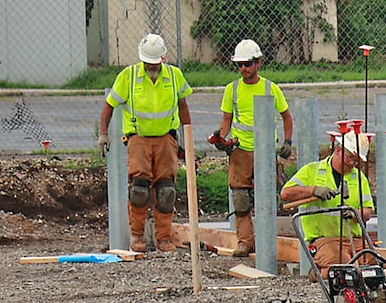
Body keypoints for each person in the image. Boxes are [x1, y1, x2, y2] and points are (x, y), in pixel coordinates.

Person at [98, 34, 193, 253]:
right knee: (139, 189)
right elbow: (109, 105)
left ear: (163, 58)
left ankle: (164, 238)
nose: (151, 67)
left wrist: (187, 137)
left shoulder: (174, 75)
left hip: (166, 139)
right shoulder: (129, 76)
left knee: (166, 191)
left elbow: (183, 106)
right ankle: (137, 236)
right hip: (138, 139)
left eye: (154, 63)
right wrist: (104, 133)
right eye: (147, 63)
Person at [215, 39, 294, 258]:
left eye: (247, 64)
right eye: (239, 64)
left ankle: (267, 242)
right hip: (241, 152)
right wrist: (222, 139)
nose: (243, 69)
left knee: (267, 198)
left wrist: (287, 142)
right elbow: (226, 121)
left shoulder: (271, 88)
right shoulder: (233, 89)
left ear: (258, 63)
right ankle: (245, 242)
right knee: (240, 198)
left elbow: (287, 117)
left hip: (265, 152)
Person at [281, 131, 375, 276]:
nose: (352, 163)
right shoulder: (312, 171)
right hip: (325, 240)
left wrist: (355, 214)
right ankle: (318, 274)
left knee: (376, 268)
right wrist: (313, 190)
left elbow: (368, 210)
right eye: (350, 157)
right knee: (344, 268)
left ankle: (374, 298)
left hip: (354, 240)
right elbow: (286, 193)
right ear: (338, 150)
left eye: (356, 161)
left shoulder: (359, 177)